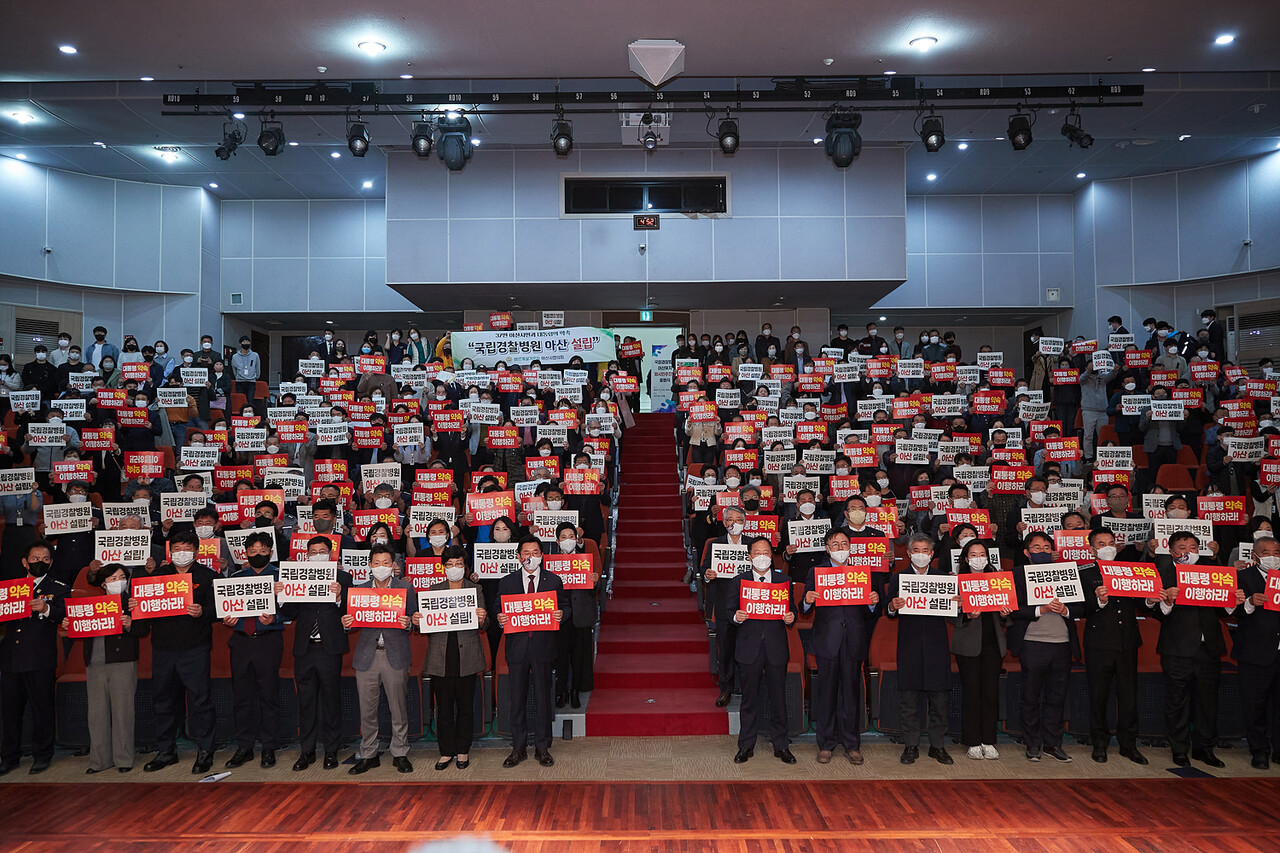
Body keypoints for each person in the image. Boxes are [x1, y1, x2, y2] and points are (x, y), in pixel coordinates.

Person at [136, 531, 219, 774]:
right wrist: (136, 606)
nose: (181, 553)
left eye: (187, 549)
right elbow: (145, 611)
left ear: (196, 552)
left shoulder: (208, 576)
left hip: (195, 648)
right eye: (177, 549)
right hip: (163, 648)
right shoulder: (157, 576)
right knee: (163, 701)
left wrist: (202, 611)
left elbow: (219, 608)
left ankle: (205, 750)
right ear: (170, 552)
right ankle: (166, 751)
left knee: (200, 701)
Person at [1148, 530, 1228, 767]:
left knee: (1207, 702)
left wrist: (1233, 601)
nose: (1188, 552)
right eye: (1182, 548)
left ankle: (1204, 749)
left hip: (1208, 647)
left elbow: (1223, 609)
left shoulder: (1211, 573)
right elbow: (1152, 610)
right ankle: (1179, 749)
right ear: (1171, 551)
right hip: (1177, 649)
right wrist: (1167, 602)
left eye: (1193, 548)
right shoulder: (1162, 573)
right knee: (1177, 702)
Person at [803, 528, 878, 764]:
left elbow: (868, 611)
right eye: (835, 544)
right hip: (827, 641)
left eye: (844, 543)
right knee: (826, 694)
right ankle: (825, 744)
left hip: (853, 640)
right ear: (827, 549)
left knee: (851, 694)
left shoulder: (861, 573)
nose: (840, 548)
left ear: (850, 547)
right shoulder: (816, 572)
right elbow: (804, 606)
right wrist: (807, 601)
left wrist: (873, 603)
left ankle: (851, 744)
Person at [277, 535, 352, 772]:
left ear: (330, 554)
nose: (317, 555)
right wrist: (281, 595)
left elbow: (352, 610)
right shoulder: (297, 575)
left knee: (331, 701)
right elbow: (289, 612)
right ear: (307, 555)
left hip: (330, 648)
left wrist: (339, 597)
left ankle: (331, 751)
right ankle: (307, 751)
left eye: (322, 551)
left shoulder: (343, 578)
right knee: (306, 702)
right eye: (313, 552)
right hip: (305, 648)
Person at [343, 543, 418, 774]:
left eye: (386, 562)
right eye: (377, 563)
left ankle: (400, 752)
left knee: (398, 708)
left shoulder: (406, 588)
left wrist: (409, 623)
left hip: (395, 654)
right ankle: (368, 754)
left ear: (393, 565)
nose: (381, 567)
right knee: (367, 709)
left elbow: (414, 620)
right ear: (369, 565)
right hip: (367, 656)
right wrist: (346, 623)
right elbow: (351, 623)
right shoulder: (360, 590)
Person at [1009, 532, 1083, 762]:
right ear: (1026, 552)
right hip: (1032, 643)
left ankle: (1053, 744)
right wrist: (1039, 610)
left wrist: (1066, 610)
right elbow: (1012, 608)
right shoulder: (1017, 574)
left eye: (1046, 548)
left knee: (1057, 698)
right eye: (1037, 547)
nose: (1042, 551)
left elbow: (1081, 606)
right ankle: (1032, 744)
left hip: (1062, 644)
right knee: (1030, 697)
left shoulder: (1066, 572)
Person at [1078, 529, 1148, 764]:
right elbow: (1079, 607)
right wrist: (1098, 601)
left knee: (1128, 696)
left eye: (1110, 543)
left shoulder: (1130, 570)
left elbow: (1142, 602)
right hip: (1099, 643)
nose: (1107, 547)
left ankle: (1128, 744)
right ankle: (1100, 744)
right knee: (1099, 696)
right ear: (1092, 549)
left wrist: (1150, 600)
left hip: (1127, 641)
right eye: (1101, 544)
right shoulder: (1084, 573)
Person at [496, 537, 567, 767]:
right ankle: (518, 747)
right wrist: (500, 618)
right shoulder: (507, 582)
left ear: (542, 555)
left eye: (535, 552)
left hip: (542, 648)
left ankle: (542, 747)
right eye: (526, 552)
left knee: (543, 699)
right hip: (517, 649)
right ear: (518, 556)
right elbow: (497, 608)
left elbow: (565, 607)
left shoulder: (553, 580)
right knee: (517, 699)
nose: (531, 556)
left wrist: (561, 615)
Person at [0, 541, 69, 776]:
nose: (40, 562)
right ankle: (9, 756)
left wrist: (46, 609)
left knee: (42, 709)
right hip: (11, 658)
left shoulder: (58, 587)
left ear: (51, 562)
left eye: (45, 559)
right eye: (35, 559)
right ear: (24, 562)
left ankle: (42, 755)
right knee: (9, 711)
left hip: (40, 658)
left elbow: (65, 613)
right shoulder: (10, 588)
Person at [63, 562, 139, 773]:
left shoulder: (132, 603)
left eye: (122, 578)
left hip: (122, 661)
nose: (118, 582)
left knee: (123, 713)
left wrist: (130, 624)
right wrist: (71, 623)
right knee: (96, 714)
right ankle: (100, 761)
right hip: (95, 663)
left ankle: (124, 759)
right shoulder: (91, 605)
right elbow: (79, 626)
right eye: (113, 579)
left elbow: (143, 629)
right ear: (104, 584)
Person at [886, 535, 954, 765]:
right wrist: (892, 606)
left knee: (939, 700)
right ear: (908, 553)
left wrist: (958, 604)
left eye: (926, 550)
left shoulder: (944, 579)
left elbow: (954, 614)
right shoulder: (898, 578)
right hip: (910, 645)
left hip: (937, 645)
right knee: (909, 699)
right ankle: (911, 745)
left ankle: (938, 746)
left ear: (932, 554)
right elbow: (888, 610)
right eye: (916, 550)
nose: (921, 554)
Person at [730, 538, 797, 764]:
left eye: (766, 552)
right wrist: (736, 616)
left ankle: (781, 745)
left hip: (776, 647)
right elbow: (728, 611)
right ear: (749, 556)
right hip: (749, 647)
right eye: (757, 552)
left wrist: (791, 617)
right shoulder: (739, 581)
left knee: (778, 698)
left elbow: (792, 610)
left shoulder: (784, 581)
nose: (761, 556)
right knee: (749, 699)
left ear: (771, 555)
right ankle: (746, 745)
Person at [221, 532, 284, 770]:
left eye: (263, 551)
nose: (258, 554)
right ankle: (245, 746)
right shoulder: (236, 578)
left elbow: (293, 610)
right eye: (253, 551)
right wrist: (226, 618)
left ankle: (269, 746)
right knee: (242, 697)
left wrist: (276, 616)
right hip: (241, 642)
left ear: (271, 552)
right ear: (245, 553)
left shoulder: (280, 577)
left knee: (269, 696)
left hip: (268, 641)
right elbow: (224, 607)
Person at [424, 545, 487, 770]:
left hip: (466, 655)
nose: (454, 568)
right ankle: (445, 751)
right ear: (443, 567)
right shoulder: (434, 590)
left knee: (465, 707)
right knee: (443, 708)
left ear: (465, 566)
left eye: (458, 564)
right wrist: (418, 620)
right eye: (449, 564)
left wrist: (482, 618)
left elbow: (484, 623)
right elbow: (425, 625)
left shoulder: (475, 589)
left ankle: (462, 750)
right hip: (440, 656)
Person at [953, 539, 1011, 760]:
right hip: (968, 645)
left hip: (993, 644)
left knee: (990, 693)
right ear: (966, 559)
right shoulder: (957, 582)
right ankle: (972, 741)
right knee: (972, 693)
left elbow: (1006, 617)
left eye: (982, 554)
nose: (979, 559)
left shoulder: (998, 580)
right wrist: (965, 614)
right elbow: (948, 614)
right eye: (974, 555)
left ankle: (989, 739)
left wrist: (1005, 613)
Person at [1230, 535, 1280, 769]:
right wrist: (1249, 602)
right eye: (1266, 553)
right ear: (1255, 556)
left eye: (1276, 553)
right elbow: (1231, 611)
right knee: (1254, 705)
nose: (1272, 557)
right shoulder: (1242, 577)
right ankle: (1258, 750)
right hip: (1254, 652)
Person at [701, 506, 755, 706]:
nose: (734, 523)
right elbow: (704, 568)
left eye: (738, 519)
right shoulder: (715, 544)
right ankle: (726, 688)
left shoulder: (753, 544)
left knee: (749, 649)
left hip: (750, 605)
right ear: (724, 523)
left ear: (744, 522)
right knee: (725, 649)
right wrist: (708, 574)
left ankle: (746, 687)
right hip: (725, 604)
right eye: (730, 519)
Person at [231, 336, 261, 415]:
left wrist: (256, 377)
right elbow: (234, 369)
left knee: (250, 400)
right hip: (239, 382)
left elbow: (257, 367)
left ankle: (251, 415)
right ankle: (242, 415)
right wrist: (237, 377)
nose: (246, 343)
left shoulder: (255, 355)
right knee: (241, 400)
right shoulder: (235, 356)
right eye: (244, 342)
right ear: (240, 344)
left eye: (247, 341)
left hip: (251, 381)